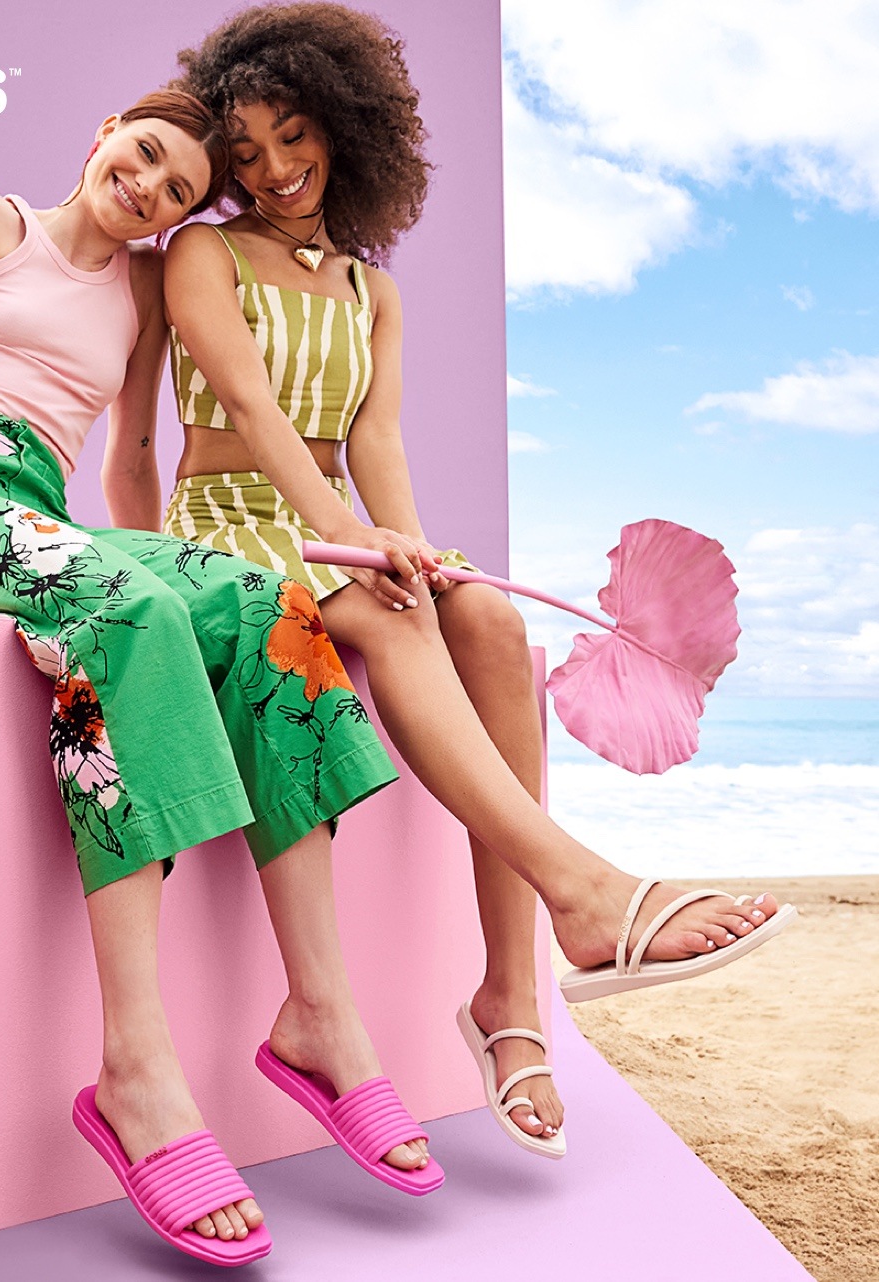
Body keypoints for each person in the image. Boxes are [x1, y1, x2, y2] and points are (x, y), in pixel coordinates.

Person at [0, 89, 442, 1268]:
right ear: (108, 131)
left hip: (28, 509)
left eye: (179, 191)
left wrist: (186, 580)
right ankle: (136, 1068)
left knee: (254, 599)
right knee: (117, 607)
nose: (153, 189)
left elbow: (126, 461)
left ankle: (322, 1011)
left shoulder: (142, 294)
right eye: (148, 157)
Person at [163, 3, 793, 1161]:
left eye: (292, 135)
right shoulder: (203, 254)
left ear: (345, 128)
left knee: (488, 622)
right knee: (387, 619)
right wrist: (358, 541)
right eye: (242, 151)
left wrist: (410, 541)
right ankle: (586, 891)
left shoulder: (370, 291)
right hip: (235, 525)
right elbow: (251, 409)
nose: (273, 168)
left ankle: (512, 1001)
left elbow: (380, 442)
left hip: (341, 522)